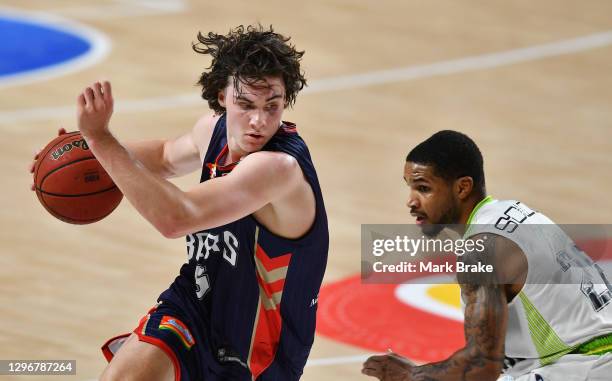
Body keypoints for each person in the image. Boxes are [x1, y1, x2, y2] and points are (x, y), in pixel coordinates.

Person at [31, 25, 328, 381]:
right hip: (194, 302)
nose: (259, 120)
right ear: (222, 96)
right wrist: (85, 155)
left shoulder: (276, 168)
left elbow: (178, 217)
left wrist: (101, 139)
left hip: (259, 347)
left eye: (272, 106)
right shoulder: (212, 130)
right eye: (246, 104)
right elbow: (164, 157)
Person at [362, 130, 612, 380]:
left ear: (462, 188)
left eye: (424, 188)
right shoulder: (516, 213)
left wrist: (410, 375)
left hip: (585, 366)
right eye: (410, 188)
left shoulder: (481, 251)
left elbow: (481, 366)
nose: (411, 201)